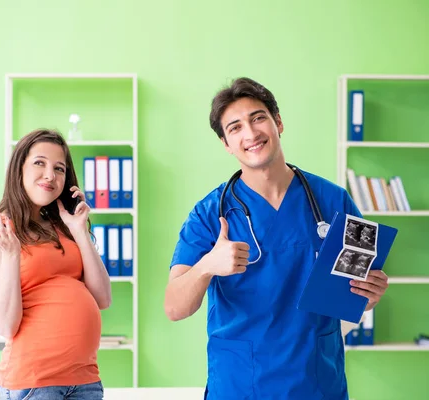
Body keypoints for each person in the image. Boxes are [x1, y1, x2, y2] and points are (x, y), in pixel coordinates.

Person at [164, 77, 389, 399]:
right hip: (240, 385)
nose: (251, 133)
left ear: (278, 123)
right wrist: (206, 266)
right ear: (226, 144)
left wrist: (370, 293)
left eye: (258, 118)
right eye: (235, 127)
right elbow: (174, 308)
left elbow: (357, 295)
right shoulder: (209, 213)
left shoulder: (335, 201)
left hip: (316, 383)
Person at [0, 129, 112, 400]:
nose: (50, 175)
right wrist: (12, 254)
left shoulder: (64, 226)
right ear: (19, 169)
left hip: (85, 379)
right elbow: (6, 325)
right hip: (35, 383)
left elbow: (102, 297)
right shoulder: (1, 233)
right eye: (39, 163)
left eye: (59, 168)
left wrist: (80, 232)